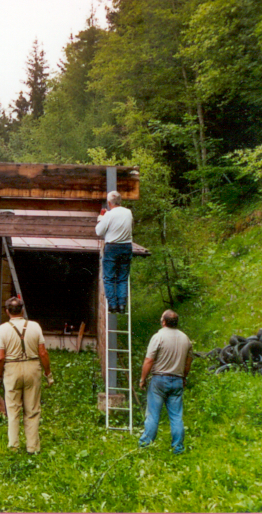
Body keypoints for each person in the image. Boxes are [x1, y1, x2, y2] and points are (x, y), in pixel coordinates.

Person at [0, 297, 53, 454]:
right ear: (22, 309)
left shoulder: (2, 329)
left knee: (13, 410)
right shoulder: (35, 326)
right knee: (32, 410)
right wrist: (48, 374)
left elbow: (0, 357)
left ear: (7, 311)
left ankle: (13, 447)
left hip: (12, 369)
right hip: (33, 368)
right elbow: (43, 353)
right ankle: (32, 448)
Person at [138, 310, 193, 454]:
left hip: (159, 380)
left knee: (153, 414)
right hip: (177, 381)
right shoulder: (185, 339)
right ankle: (178, 448)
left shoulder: (158, 337)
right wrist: (184, 377)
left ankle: (145, 445)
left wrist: (143, 379)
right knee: (176, 416)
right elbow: (188, 362)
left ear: (163, 322)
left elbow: (149, 360)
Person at [95, 190, 133, 314]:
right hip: (126, 246)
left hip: (112, 247)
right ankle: (122, 305)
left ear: (109, 203)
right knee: (122, 278)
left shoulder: (109, 215)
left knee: (109, 278)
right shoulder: (128, 212)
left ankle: (112, 305)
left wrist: (101, 219)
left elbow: (99, 232)